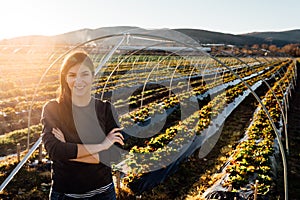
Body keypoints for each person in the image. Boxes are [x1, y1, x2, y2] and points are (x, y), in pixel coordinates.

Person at [41, 50, 125, 199]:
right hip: (65, 194)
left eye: (84, 74)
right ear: (65, 78)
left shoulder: (105, 109)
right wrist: (102, 146)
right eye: (72, 75)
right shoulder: (53, 109)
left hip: (103, 193)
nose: (78, 80)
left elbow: (115, 154)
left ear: (93, 76)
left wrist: (67, 147)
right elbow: (54, 150)